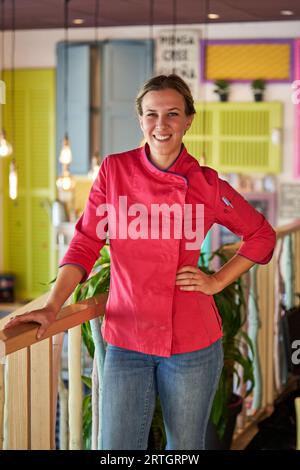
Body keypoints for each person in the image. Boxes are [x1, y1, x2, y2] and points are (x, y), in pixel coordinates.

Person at [4, 74, 276, 450]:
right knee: (118, 447)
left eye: (172, 114)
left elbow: (262, 235)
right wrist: (53, 305)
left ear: (188, 120)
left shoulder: (206, 184)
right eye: (151, 114)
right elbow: (85, 241)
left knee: (184, 448)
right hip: (128, 336)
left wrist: (216, 281)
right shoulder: (115, 172)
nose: (161, 125)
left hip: (192, 340)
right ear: (140, 119)